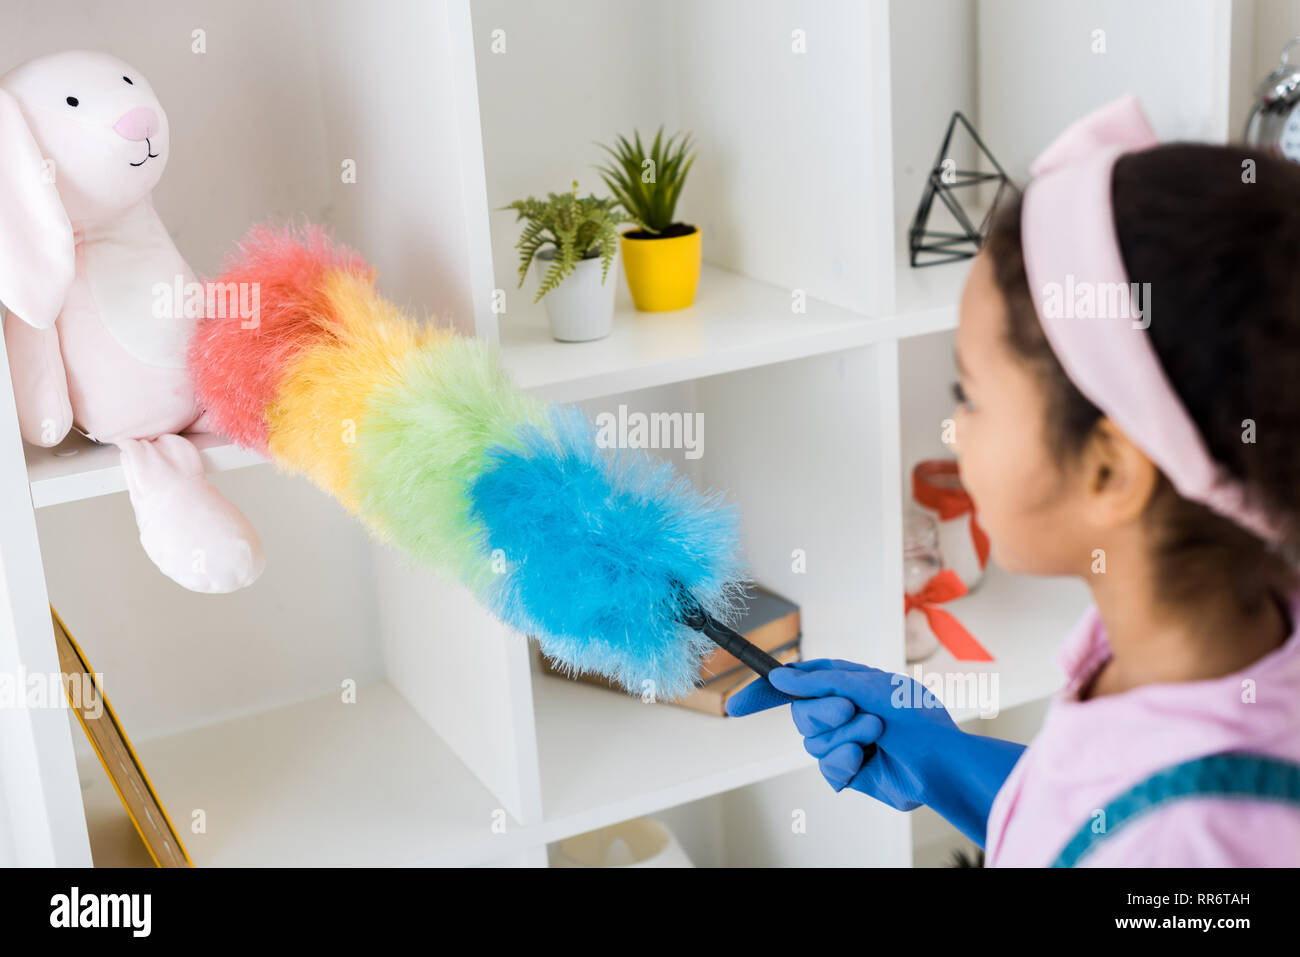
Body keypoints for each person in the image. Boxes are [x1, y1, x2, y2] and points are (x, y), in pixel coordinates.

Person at [727, 94, 1300, 866]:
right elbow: (1109, 812)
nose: (953, 432)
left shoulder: (1187, 850)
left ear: (1109, 469)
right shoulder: (1217, 640)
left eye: (970, 396)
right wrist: (947, 761)